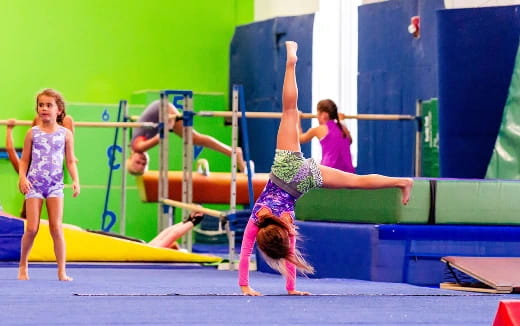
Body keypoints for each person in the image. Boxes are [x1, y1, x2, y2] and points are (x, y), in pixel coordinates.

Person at [238, 41, 413, 296]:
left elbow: (270, 255)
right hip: (285, 168)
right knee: (289, 111)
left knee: (357, 182)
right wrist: (243, 285)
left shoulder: (287, 225)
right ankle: (291, 63)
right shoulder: (258, 218)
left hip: (304, 179)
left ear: (283, 240)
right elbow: (245, 252)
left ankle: (401, 182)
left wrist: (286, 288)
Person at [17, 89, 80, 281]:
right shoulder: (32, 133)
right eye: (41, 105)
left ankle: (62, 270)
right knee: (32, 228)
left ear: (59, 110)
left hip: (55, 185)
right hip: (34, 184)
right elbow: (24, 160)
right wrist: (22, 177)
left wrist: (76, 180)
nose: (44, 109)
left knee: (56, 227)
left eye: (49, 105)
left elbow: (70, 161)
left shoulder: (65, 134)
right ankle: (23, 265)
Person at [126, 100, 246, 175]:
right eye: (144, 164)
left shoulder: (138, 147)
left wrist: (169, 126)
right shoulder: (135, 144)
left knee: (194, 139)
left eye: (138, 162)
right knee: (194, 138)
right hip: (160, 111)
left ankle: (233, 152)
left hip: (162, 110)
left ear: (131, 158)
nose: (142, 161)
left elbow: (160, 138)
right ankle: (232, 152)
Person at [6, 116, 75, 218]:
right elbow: (10, 150)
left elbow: (10, 149)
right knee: (67, 120)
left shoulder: (24, 172)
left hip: (47, 150)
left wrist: (9, 129)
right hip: (52, 161)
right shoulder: (26, 173)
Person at [299, 99, 355, 173]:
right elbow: (350, 141)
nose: (317, 117)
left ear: (324, 115)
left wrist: (297, 119)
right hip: (348, 173)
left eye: (318, 114)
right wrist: (341, 120)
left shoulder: (319, 129)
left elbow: (299, 139)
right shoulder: (343, 128)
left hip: (330, 172)